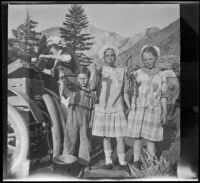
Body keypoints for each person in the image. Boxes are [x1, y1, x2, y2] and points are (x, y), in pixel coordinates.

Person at [89, 45, 131, 170]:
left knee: (120, 137)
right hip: (103, 108)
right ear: (103, 57)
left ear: (115, 56)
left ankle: (122, 163)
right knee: (106, 137)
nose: (110, 58)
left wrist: (129, 106)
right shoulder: (99, 70)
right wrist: (95, 72)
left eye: (112, 55)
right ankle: (108, 161)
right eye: (107, 55)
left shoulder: (121, 71)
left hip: (117, 107)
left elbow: (124, 92)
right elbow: (91, 87)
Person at [127, 45, 168, 169]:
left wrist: (165, 111)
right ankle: (136, 161)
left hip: (154, 111)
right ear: (142, 60)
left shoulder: (161, 75)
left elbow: (163, 96)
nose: (148, 61)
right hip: (139, 110)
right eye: (145, 59)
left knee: (151, 139)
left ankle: (150, 163)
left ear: (156, 58)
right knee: (137, 138)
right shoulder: (137, 74)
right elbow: (130, 89)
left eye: (150, 59)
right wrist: (130, 79)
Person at [61, 67, 95, 164]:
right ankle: (66, 158)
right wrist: (64, 77)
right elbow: (68, 84)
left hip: (85, 117)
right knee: (70, 136)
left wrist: (92, 121)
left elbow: (93, 109)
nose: (83, 81)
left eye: (85, 78)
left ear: (88, 78)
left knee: (85, 138)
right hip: (73, 114)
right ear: (77, 79)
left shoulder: (92, 93)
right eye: (80, 78)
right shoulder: (75, 88)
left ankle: (84, 161)